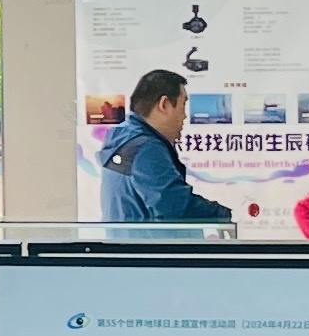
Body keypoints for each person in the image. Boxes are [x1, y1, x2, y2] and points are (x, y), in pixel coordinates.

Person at [97, 69, 230, 226]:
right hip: (147, 241)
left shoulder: (121, 137)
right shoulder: (147, 149)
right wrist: (222, 215)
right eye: (182, 105)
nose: (185, 116)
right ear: (164, 105)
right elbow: (176, 208)